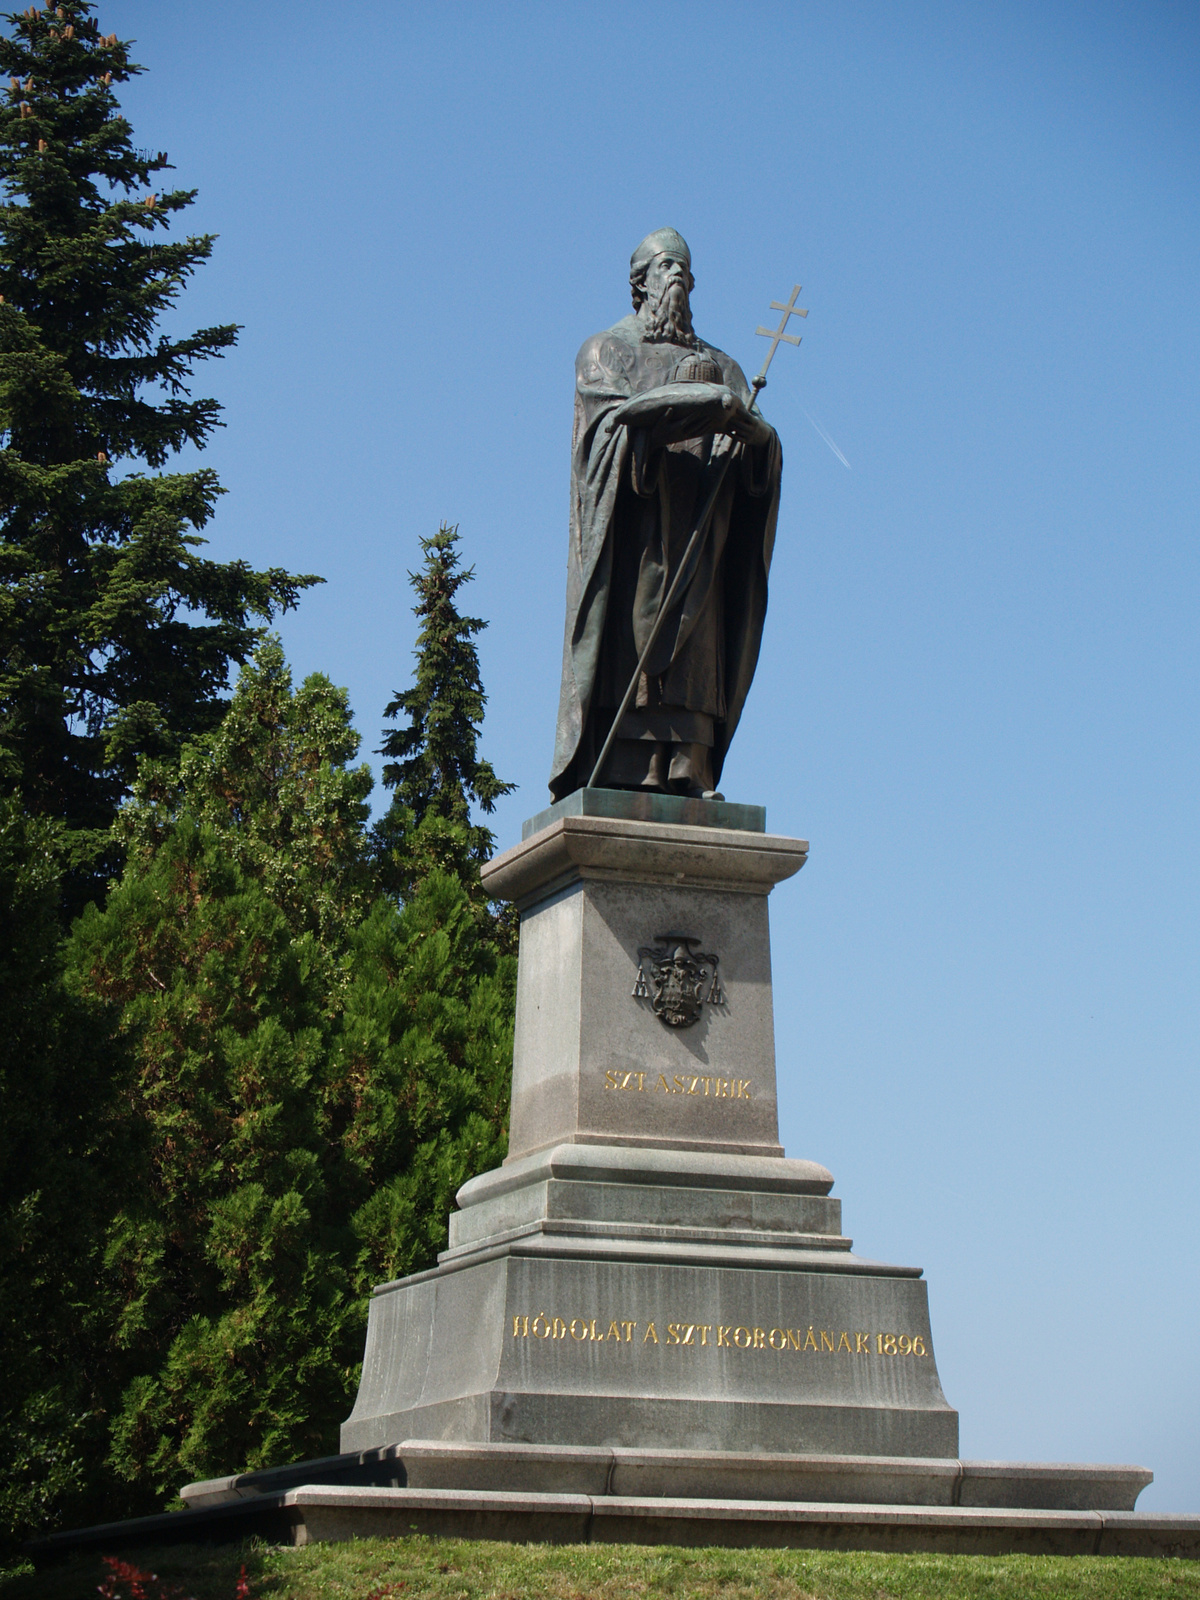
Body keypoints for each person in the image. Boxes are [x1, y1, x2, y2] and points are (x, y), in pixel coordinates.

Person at [549, 228, 782, 801]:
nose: (675, 276)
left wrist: (755, 439)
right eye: (664, 268)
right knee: (628, 647)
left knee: (697, 653)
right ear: (640, 284)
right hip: (637, 541)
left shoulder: (723, 366)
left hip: (702, 544)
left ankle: (688, 769)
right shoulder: (608, 352)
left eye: (684, 269)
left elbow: (763, 456)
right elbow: (601, 437)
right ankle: (623, 769)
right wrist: (661, 428)